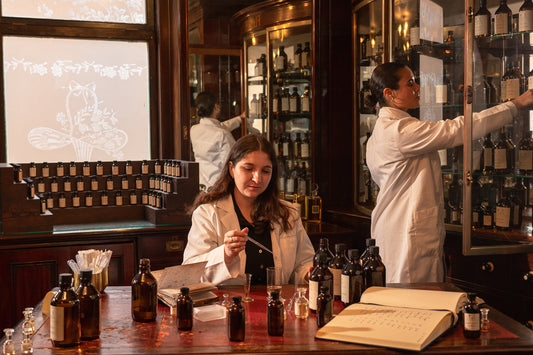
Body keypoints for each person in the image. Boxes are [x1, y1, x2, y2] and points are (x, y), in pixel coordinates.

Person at [365, 62, 533, 284]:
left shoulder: (384, 129)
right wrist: (516, 104)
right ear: (389, 93)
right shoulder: (399, 131)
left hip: (395, 226)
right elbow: (458, 128)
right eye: (410, 83)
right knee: (414, 303)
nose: (417, 88)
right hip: (407, 232)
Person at [183, 134, 315, 285]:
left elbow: (303, 263)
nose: (257, 178)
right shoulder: (208, 213)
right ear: (231, 169)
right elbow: (189, 273)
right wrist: (225, 254)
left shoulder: (288, 213)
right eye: (248, 169)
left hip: (276, 305)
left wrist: (308, 274)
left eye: (265, 171)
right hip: (228, 307)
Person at [190, 91, 245, 190]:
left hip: (201, 185)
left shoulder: (194, 129)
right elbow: (234, 159)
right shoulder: (222, 134)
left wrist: (240, 118)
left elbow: (219, 126)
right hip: (219, 186)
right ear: (216, 107)